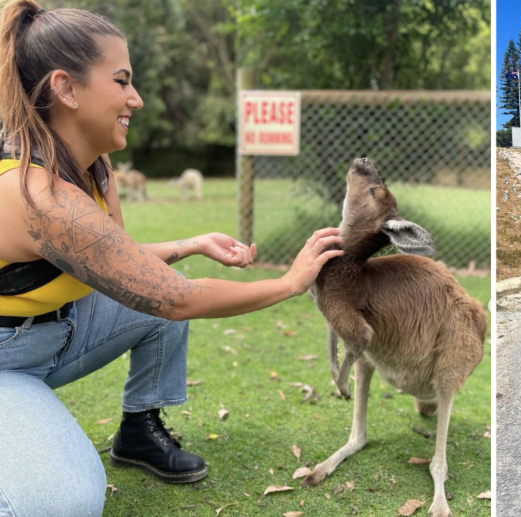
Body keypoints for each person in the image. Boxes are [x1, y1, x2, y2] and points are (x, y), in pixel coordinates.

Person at [0, 3, 343, 516]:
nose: (135, 99)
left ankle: (138, 431)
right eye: (121, 81)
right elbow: (175, 298)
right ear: (66, 89)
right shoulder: (37, 195)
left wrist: (194, 242)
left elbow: (118, 259)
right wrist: (291, 283)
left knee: (156, 303)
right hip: (8, 360)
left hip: (61, 329)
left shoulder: (94, 166)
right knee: (66, 502)